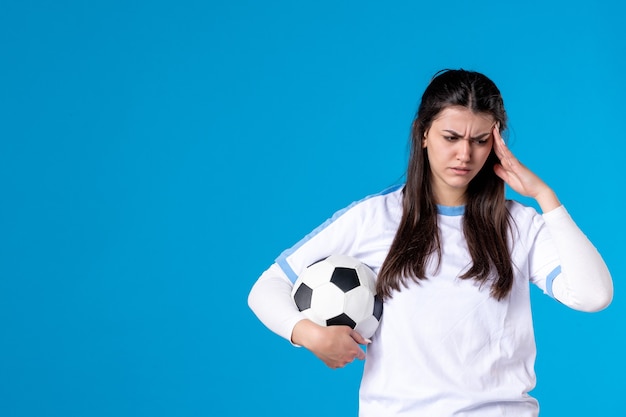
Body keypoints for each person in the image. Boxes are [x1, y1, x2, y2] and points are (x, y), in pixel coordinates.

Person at [247, 69, 613, 416]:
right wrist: (307, 334)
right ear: (423, 134)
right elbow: (267, 287)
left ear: (496, 142)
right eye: (451, 138)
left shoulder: (519, 225)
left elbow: (593, 295)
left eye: (480, 140)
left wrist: (544, 195)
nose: (465, 155)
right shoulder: (373, 218)